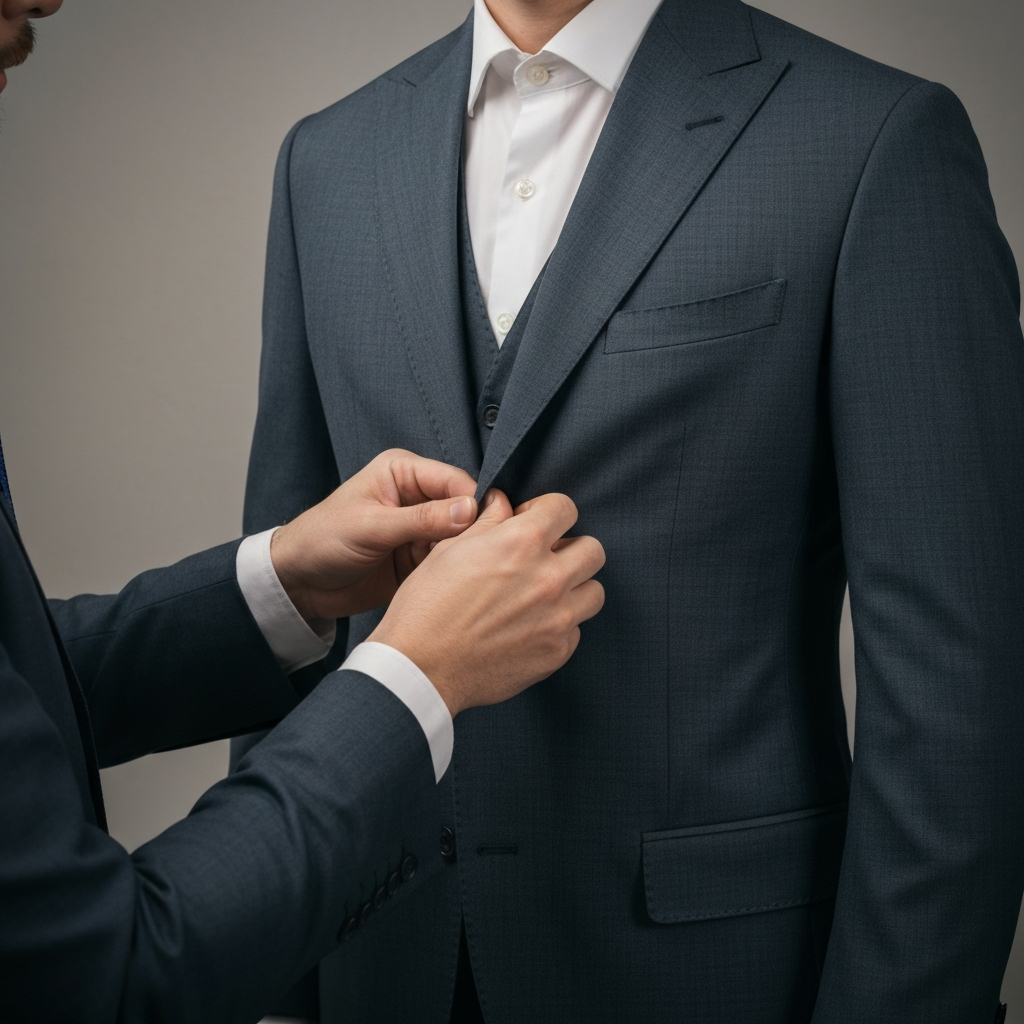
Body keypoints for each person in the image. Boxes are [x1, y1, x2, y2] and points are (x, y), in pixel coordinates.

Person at [239, 0, 1024, 1020]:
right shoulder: (325, 160)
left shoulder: (873, 137)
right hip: (377, 966)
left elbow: (957, 684)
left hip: (713, 973)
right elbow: (290, 620)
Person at [0, 4, 608, 1023]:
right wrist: (409, 676)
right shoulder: (327, 160)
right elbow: (106, 980)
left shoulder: (868, 139)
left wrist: (278, 585)